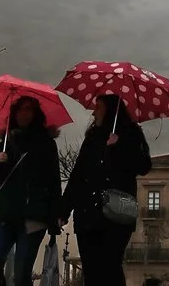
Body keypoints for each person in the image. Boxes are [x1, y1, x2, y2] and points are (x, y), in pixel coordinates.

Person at [59, 94, 152, 286]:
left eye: (98, 107)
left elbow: (143, 166)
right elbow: (78, 174)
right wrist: (64, 210)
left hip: (117, 212)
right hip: (87, 212)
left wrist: (121, 145)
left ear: (110, 110)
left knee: (110, 266)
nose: (93, 113)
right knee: (91, 271)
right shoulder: (92, 137)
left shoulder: (131, 133)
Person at [0, 96, 63, 286]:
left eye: (28, 110)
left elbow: (54, 182)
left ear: (36, 115)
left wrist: (56, 215)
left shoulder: (46, 144)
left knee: (21, 275)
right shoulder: (7, 142)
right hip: (4, 214)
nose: (23, 114)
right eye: (20, 110)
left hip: (32, 217)